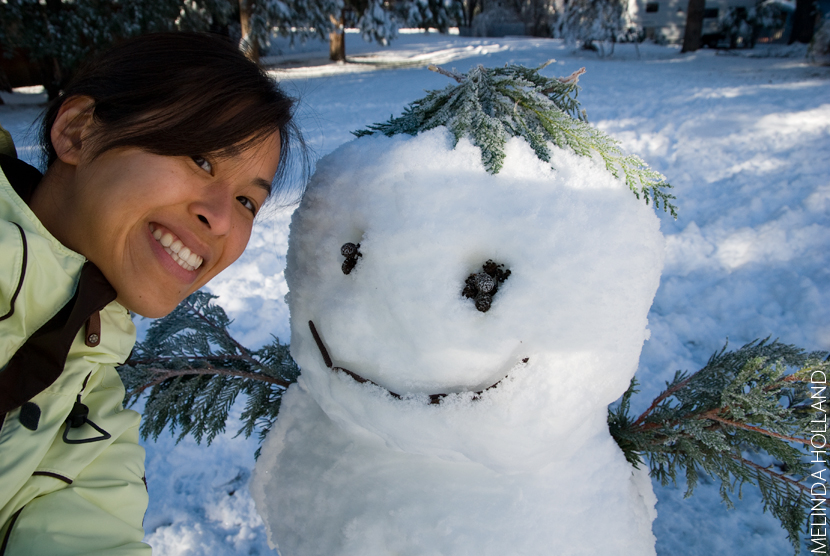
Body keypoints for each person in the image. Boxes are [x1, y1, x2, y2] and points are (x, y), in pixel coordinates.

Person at [0, 32, 302, 554]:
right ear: (77, 133)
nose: (222, 218)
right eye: (200, 160)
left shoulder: (90, 404)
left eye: (248, 202)